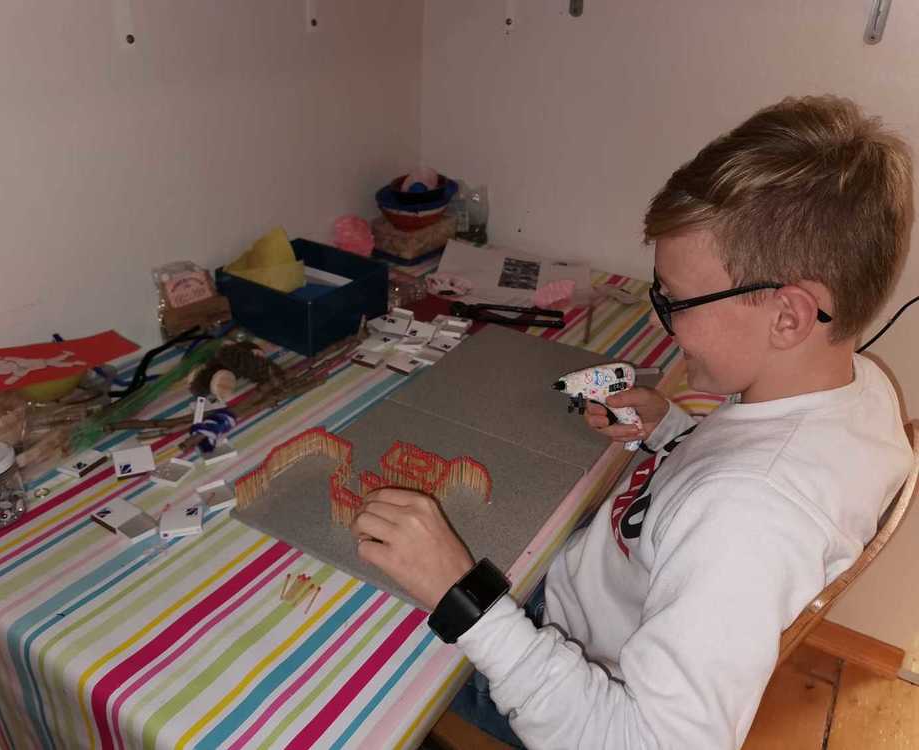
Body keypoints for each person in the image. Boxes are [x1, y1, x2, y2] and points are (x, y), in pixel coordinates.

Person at [350, 95, 915, 749]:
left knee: (357, 635)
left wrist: (465, 599)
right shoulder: (854, 387)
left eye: (676, 301)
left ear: (788, 317)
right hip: (592, 589)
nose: (659, 318)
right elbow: (736, 470)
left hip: (564, 670)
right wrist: (670, 432)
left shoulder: (748, 519)